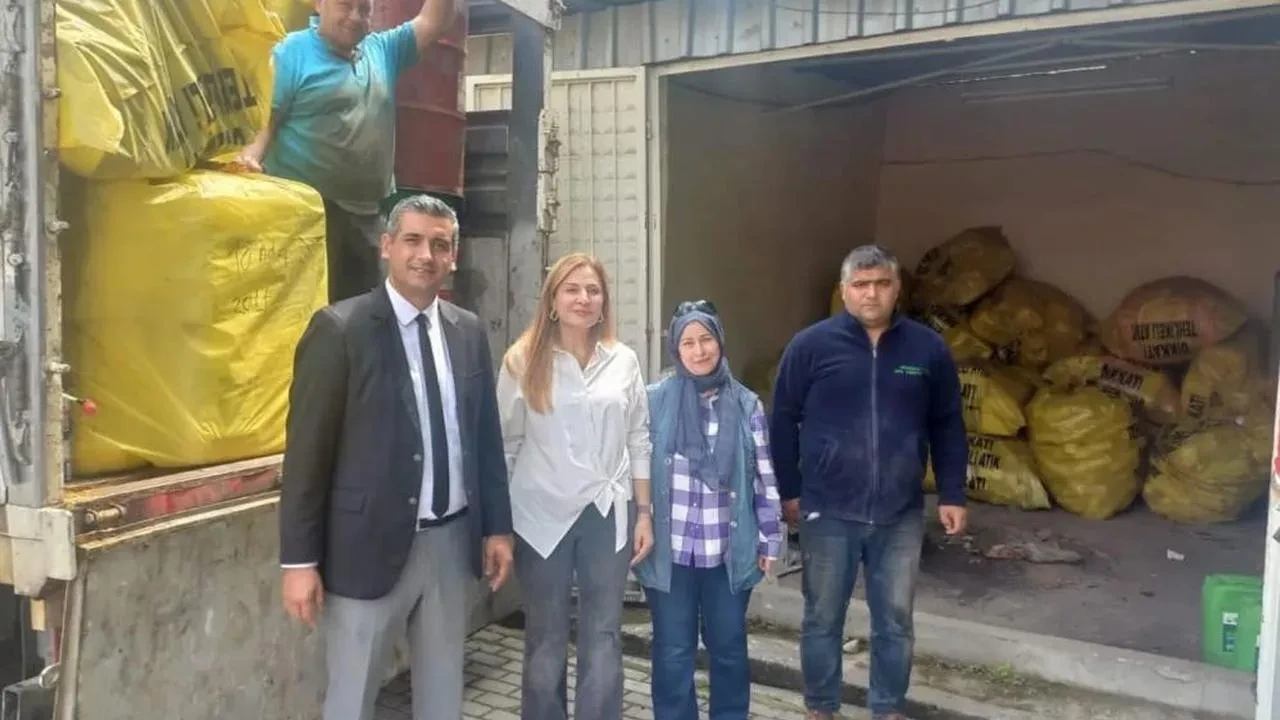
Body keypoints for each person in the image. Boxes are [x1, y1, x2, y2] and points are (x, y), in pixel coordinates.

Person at [278, 194, 514, 720]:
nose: (425, 255)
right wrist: (299, 562)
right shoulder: (340, 330)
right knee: (353, 698)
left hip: (451, 545)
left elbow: (484, 439)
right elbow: (306, 457)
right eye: (412, 240)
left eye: (440, 245)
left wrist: (497, 527)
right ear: (387, 246)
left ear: (453, 256)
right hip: (365, 549)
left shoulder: (468, 331)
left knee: (442, 696)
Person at [770, 244, 969, 720]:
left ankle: (888, 708)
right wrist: (789, 490)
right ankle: (821, 706)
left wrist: (952, 493)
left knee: (895, 621)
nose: (872, 294)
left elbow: (947, 422)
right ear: (844, 291)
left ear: (897, 289)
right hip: (827, 509)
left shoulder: (927, 349)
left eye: (882, 283)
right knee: (822, 617)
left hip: (899, 513)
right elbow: (782, 419)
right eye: (861, 285)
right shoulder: (810, 346)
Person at [496, 252, 654, 720]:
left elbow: (639, 436)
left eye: (593, 290)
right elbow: (506, 445)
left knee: (603, 633)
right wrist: (499, 525)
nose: (583, 298)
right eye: (572, 289)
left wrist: (644, 512)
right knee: (545, 635)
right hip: (540, 516)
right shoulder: (522, 360)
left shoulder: (623, 360)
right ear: (552, 300)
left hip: (606, 513)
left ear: (604, 301)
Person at [236, 0, 457, 303]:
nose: (355, 16)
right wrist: (250, 157)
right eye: (345, 5)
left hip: (366, 215)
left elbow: (432, 22)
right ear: (319, 4)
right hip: (309, 215)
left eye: (364, 9)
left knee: (363, 312)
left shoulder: (382, 50)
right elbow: (266, 120)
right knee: (309, 310)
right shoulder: (291, 51)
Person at [634, 300, 784, 720]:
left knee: (729, 647)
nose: (699, 351)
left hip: (726, 552)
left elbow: (764, 477)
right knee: (672, 651)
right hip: (671, 552)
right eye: (688, 342)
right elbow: (634, 467)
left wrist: (770, 538)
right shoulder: (653, 401)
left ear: (720, 341)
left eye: (706, 339)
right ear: (675, 349)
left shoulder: (747, 405)